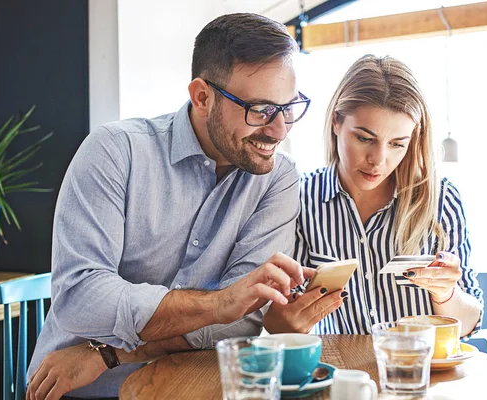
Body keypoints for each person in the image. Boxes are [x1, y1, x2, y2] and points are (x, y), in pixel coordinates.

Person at [26, 13, 329, 400]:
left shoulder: (277, 179)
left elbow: (241, 322)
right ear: (202, 96)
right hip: (81, 391)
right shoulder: (114, 151)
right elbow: (81, 299)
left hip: (196, 387)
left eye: (288, 108)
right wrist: (221, 303)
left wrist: (110, 353)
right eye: (260, 110)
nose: (279, 129)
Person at [262, 55, 483, 337]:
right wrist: (286, 321)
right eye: (365, 138)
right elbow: (275, 323)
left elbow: (469, 324)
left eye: (397, 144)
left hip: (420, 375)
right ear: (336, 122)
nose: (378, 159)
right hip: (342, 376)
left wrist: (446, 295)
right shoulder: (298, 199)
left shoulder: (441, 199)